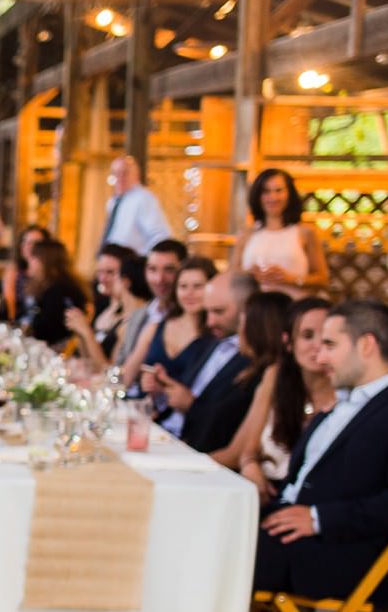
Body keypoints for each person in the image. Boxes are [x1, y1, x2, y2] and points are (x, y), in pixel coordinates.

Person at [256, 300, 388, 602]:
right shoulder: (341, 404)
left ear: (367, 344)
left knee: (213, 552)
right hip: (282, 527)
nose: (320, 356)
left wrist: (319, 518)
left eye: (330, 345)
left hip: (330, 553)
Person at [211, 297, 334, 499]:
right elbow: (246, 451)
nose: (318, 346)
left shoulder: (345, 393)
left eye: (327, 338)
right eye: (307, 335)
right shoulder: (275, 377)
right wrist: (251, 467)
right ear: (288, 342)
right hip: (262, 491)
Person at [150, 271, 261, 452]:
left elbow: (229, 423)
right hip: (165, 435)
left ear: (247, 310)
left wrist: (191, 406)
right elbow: (183, 394)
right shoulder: (209, 341)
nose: (209, 321)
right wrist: (163, 388)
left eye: (219, 311)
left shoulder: (254, 359)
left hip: (197, 450)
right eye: (207, 311)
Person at [120, 256, 217, 398]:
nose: (189, 293)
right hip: (140, 408)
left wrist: (163, 389)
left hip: (179, 417)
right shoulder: (156, 326)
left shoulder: (215, 337)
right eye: (183, 286)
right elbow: (126, 377)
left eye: (197, 286)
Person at [232, 168, 330, 297]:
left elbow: (322, 278)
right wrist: (250, 274)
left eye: (278, 191)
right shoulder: (247, 234)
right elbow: (232, 273)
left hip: (292, 303)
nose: (272, 197)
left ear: (289, 194)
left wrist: (292, 279)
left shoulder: (305, 233)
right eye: (266, 191)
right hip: (255, 306)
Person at [65, 243, 150, 369]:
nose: (103, 278)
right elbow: (89, 360)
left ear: (126, 279)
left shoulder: (134, 319)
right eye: (100, 272)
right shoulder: (103, 306)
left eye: (111, 272)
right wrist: (81, 333)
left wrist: (86, 333)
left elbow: (109, 370)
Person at [118, 237, 187, 366]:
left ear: (184, 272)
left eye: (169, 270)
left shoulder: (189, 320)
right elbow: (119, 368)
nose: (159, 279)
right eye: (152, 269)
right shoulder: (137, 315)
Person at [22, 239, 91, 347]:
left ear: (44, 261)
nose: (29, 262)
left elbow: (46, 330)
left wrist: (26, 328)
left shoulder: (59, 290)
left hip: (58, 350)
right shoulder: (56, 285)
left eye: (33, 257)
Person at [98, 155, 173, 255]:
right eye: (116, 174)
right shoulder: (114, 201)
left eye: (124, 173)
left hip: (133, 262)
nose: (120, 178)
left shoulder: (143, 198)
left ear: (136, 175)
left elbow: (158, 235)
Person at [13, 225, 51, 321]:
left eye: (36, 243)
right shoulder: (14, 272)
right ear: (21, 247)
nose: (31, 247)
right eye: (27, 242)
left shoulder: (51, 276)